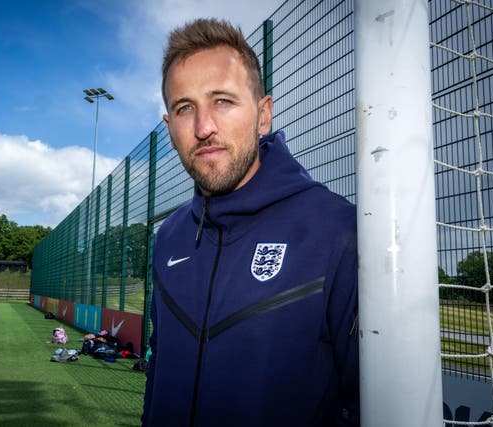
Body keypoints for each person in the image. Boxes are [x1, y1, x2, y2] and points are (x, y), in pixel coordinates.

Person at [143, 18, 359, 427]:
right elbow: (157, 368)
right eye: (185, 108)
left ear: (263, 115)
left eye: (222, 101)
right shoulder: (169, 236)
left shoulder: (337, 232)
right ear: (171, 129)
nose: (204, 127)